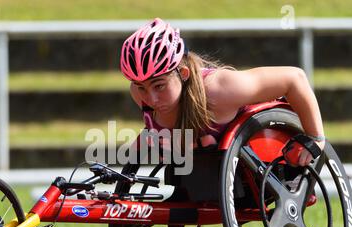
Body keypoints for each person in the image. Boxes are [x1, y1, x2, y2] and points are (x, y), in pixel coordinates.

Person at [119, 17, 325, 167]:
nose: (151, 98)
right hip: (201, 163)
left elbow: (294, 78)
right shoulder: (138, 93)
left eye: (159, 86)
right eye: (141, 87)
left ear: (182, 73)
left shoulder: (221, 89)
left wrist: (315, 139)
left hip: (266, 154)